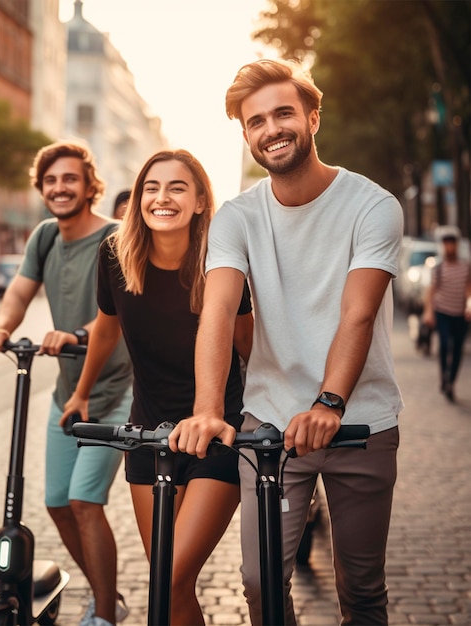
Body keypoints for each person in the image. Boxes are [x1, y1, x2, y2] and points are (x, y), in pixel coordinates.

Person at [169, 58, 404, 625]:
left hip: (360, 422)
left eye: (283, 113)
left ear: (313, 118)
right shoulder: (237, 217)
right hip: (269, 426)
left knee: (362, 588)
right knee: (259, 583)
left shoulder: (373, 206)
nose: (271, 129)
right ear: (246, 134)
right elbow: (220, 310)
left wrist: (329, 402)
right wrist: (206, 411)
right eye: (256, 121)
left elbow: (358, 314)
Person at [62, 149, 253, 626]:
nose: (161, 197)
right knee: (171, 586)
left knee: (168, 579)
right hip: (148, 434)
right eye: (151, 187)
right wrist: (81, 392)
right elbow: (106, 328)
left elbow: (251, 344)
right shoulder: (116, 256)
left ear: (201, 201)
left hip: (218, 433)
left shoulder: (222, 261)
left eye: (177, 187)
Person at [0, 141, 133, 626]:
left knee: (84, 499)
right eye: (50, 180)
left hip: (118, 391)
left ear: (90, 186)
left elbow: (120, 313)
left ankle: (105, 615)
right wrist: (2, 328)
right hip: (68, 391)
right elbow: (19, 292)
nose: (59, 187)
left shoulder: (116, 238)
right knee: (55, 503)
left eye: (70, 179)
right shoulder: (45, 237)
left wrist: (78, 334)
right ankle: (107, 592)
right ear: (41, 188)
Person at [422, 225, 471, 402]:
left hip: (460, 313)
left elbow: (468, 289)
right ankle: (444, 376)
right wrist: (428, 312)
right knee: (443, 344)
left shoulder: (466, 267)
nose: (450, 247)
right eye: (446, 243)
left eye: (452, 243)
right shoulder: (439, 267)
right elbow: (431, 290)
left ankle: (451, 381)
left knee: (457, 348)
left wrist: (469, 305)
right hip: (442, 311)